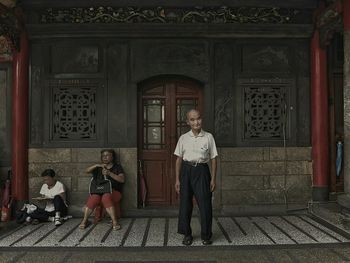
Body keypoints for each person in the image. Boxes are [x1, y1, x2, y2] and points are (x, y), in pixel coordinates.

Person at [174, 109, 218, 246]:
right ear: (188, 122)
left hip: (202, 171)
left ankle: (206, 235)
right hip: (186, 171)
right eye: (192, 120)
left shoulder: (208, 137)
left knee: (205, 205)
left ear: (201, 119)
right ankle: (187, 234)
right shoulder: (183, 138)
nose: (196, 122)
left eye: (198, 118)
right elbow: (179, 159)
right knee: (185, 204)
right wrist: (177, 179)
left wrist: (213, 179)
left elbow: (213, 158)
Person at [79, 149, 125, 230]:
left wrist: (109, 173)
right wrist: (96, 165)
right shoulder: (98, 168)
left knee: (106, 197)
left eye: (107, 155)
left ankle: (115, 222)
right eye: (103, 156)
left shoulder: (117, 167)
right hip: (99, 191)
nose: (105, 157)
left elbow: (122, 179)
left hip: (114, 192)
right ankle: (84, 221)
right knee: (93, 198)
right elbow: (86, 171)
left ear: (112, 157)